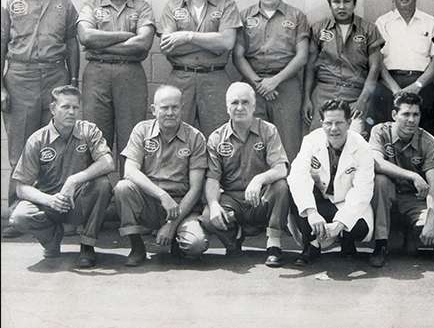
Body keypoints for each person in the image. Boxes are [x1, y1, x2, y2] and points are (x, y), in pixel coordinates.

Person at [1, 0, 79, 226]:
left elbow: (72, 41)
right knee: (20, 149)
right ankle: (15, 214)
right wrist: (1, 87)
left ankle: (58, 212)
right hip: (21, 77)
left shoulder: (63, 1)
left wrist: (72, 81)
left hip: (55, 77)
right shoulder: (11, 1)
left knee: (57, 144)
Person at [9, 85, 114, 268]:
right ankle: (51, 239)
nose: (71, 112)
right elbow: (21, 187)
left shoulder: (88, 131)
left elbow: (108, 163)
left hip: (78, 201)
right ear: (52, 109)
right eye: (65, 107)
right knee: (19, 217)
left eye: (75, 107)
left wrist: (74, 179)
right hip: (48, 202)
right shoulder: (38, 140)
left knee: (103, 185)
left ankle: (87, 245)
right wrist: (49, 200)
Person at [113, 85, 208, 266]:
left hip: (181, 205)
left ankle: (175, 239)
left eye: (175, 107)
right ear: (154, 110)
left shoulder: (195, 137)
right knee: (123, 188)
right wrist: (162, 195)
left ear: (182, 108)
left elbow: (196, 189)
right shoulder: (142, 130)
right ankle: (137, 245)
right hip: (150, 201)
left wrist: (171, 225)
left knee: (196, 245)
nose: (170, 112)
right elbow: (130, 170)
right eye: (164, 108)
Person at [199, 82, 290, 267]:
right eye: (234, 103)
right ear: (227, 107)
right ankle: (233, 240)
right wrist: (214, 204)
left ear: (254, 106)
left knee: (281, 186)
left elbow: (281, 168)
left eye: (245, 102)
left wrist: (259, 179)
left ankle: (274, 244)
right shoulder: (217, 138)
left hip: (261, 198)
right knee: (209, 215)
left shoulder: (268, 130)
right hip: (233, 200)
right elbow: (212, 179)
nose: (240, 108)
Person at [77, 0, 155, 167]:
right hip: (96, 75)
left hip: (130, 75)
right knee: (94, 136)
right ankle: (95, 194)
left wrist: (101, 43)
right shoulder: (91, 5)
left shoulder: (142, 7)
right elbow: (86, 37)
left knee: (132, 138)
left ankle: (126, 191)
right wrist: (125, 35)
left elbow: (143, 44)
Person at [158, 0, 242, 137]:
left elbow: (227, 42)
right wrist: (212, 41)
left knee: (219, 137)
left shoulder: (225, 4)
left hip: (215, 78)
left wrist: (186, 36)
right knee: (175, 134)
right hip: (181, 77)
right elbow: (167, 46)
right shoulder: (173, 6)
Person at [233, 0, 309, 160]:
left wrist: (274, 81)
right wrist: (259, 83)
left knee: (288, 143)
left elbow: (302, 56)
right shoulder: (245, 16)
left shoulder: (296, 16)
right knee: (253, 141)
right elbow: (238, 55)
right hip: (253, 83)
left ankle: (288, 189)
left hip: (285, 84)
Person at [287, 99, 375, 265]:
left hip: (346, 202)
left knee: (360, 228)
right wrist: (311, 212)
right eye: (328, 123)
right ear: (321, 123)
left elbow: (363, 190)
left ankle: (346, 241)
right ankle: (311, 245)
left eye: (339, 123)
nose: (334, 129)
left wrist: (340, 224)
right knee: (294, 189)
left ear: (349, 123)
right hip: (320, 200)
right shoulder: (311, 141)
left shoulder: (362, 147)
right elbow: (297, 176)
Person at [369, 92, 434, 267]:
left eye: (416, 115)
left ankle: (413, 233)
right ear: (394, 115)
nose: (411, 120)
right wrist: (412, 175)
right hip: (387, 195)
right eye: (406, 114)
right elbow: (378, 164)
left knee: (430, 229)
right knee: (380, 181)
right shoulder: (380, 131)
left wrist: (430, 220)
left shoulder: (429, 142)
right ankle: (381, 244)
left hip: (413, 198)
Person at [304, 0, 383, 135]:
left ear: (354, 3)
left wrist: (362, 101)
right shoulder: (319, 28)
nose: (341, 6)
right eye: (336, 1)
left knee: (354, 142)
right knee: (318, 143)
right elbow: (310, 66)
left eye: (347, 1)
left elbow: (375, 68)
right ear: (330, 3)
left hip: (355, 96)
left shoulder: (369, 29)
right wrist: (307, 98)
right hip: (324, 94)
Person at [374, 0, 434, 134]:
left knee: (424, 136)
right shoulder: (382, 22)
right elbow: (377, 62)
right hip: (389, 86)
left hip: (422, 85)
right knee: (388, 136)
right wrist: (395, 89)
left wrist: (417, 86)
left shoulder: (431, 22)